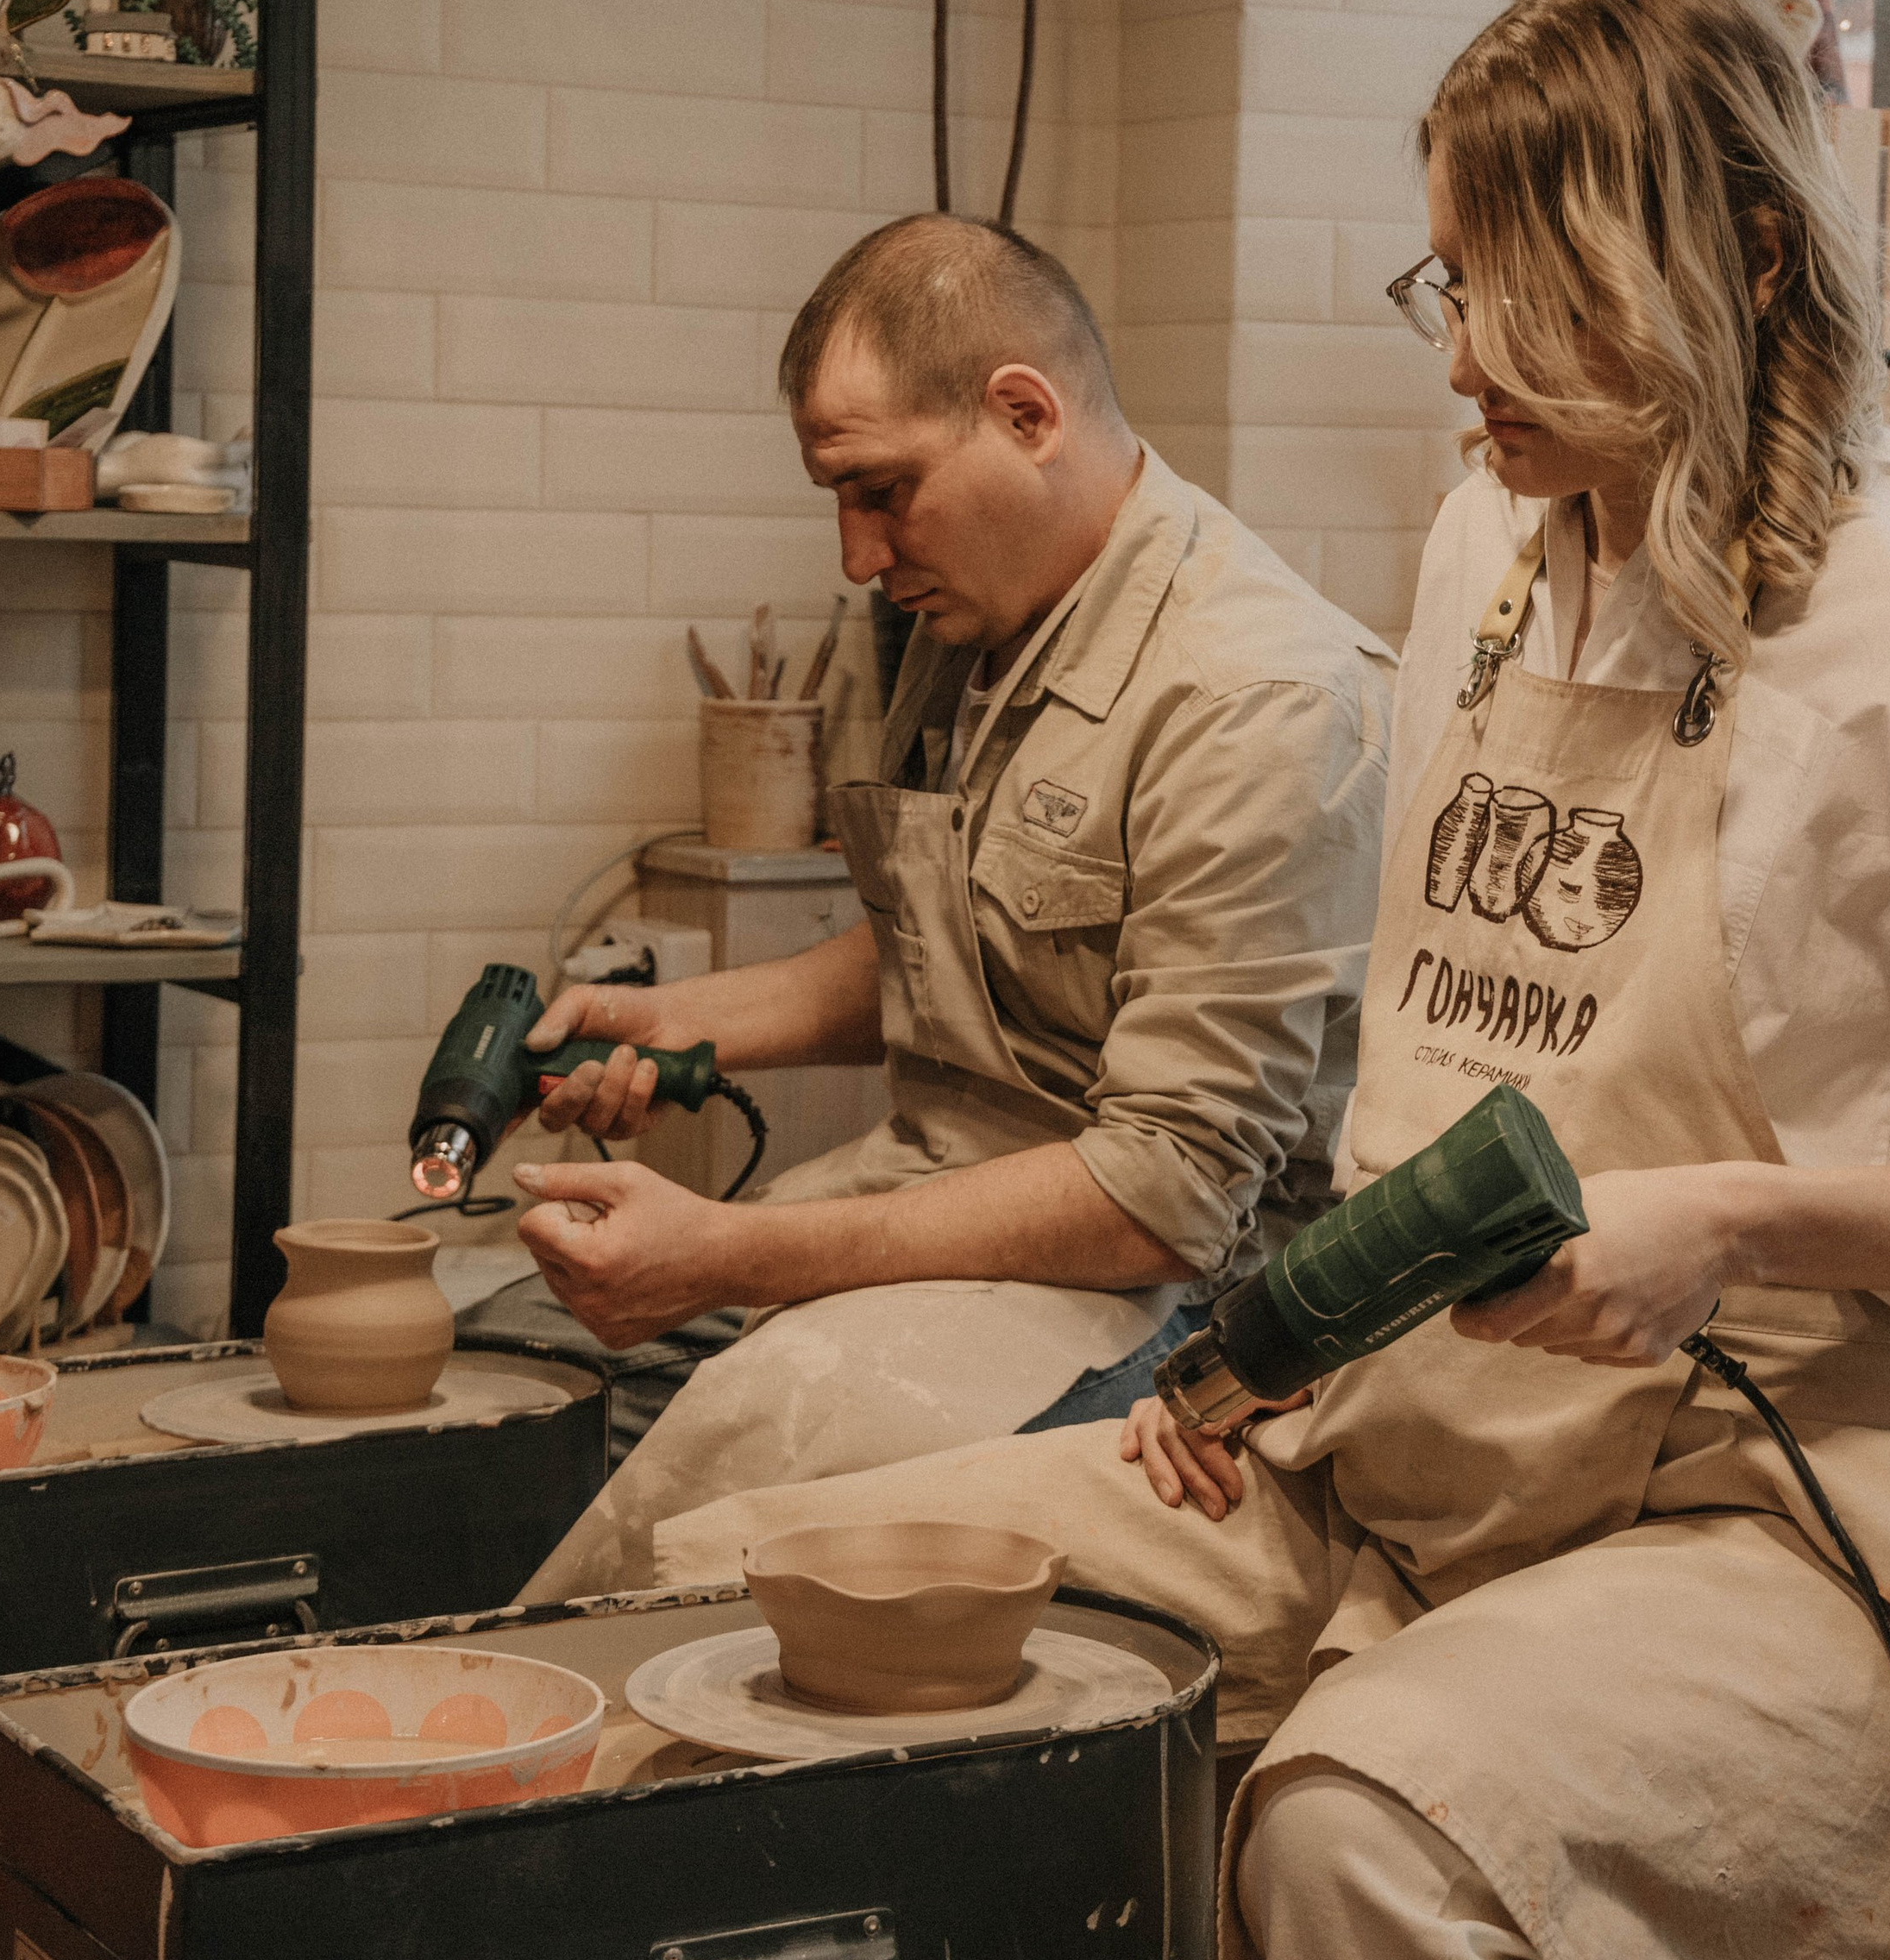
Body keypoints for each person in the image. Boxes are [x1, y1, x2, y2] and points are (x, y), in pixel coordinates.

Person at [639, 0, 1890, 1960]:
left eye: (1525, 283)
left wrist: (1726, 1217)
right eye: (1450, 275)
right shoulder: (1482, 558)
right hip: (1416, 1446)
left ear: (1741, 246)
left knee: (1369, 1828)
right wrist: (1263, 1360)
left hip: (1792, 1499)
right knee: (765, 1572)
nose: (1459, 351)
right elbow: (1433, 1086)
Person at [518, 215, 1393, 1600]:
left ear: (1026, 413)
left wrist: (733, 1254)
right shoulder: (981, 618)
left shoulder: (1260, 700)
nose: (859, 555)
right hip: (945, 1201)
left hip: (1158, 1296)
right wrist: (680, 1020)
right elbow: (951, 942)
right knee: (532, 1373)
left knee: (718, 1492)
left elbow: (1164, 1198)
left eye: (884, 492)